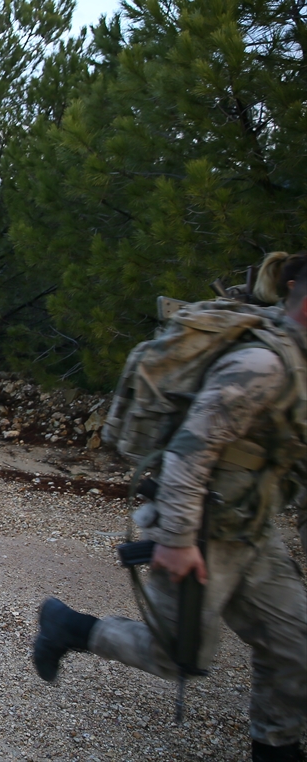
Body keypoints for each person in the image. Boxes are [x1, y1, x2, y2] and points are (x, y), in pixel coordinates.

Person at [32, 271, 307, 762]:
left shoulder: (297, 359)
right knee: (175, 657)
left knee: (295, 645)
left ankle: (277, 747)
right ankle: (69, 627)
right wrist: (178, 540)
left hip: (250, 531)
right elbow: (186, 452)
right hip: (200, 528)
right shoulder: (263, 363)